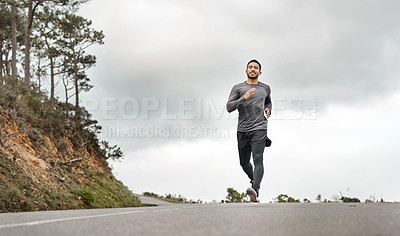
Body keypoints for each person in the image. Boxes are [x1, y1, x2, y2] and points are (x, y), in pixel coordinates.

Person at [226, 59, 272, 202]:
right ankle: (254, 181)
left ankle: (255, 189)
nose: (253, 69)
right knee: (244, 163)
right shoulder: (238, 88)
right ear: (246, 71)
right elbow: (229, 107)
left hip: (259, 128)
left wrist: (268, 109)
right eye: (250, 67)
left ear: (260, 72)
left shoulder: (265, 88)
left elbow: (268, 101)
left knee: (258, 159)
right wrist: (243, 99)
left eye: (256, 68)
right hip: (243, 129)